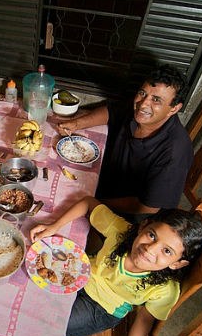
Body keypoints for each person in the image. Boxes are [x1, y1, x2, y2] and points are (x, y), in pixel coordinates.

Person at [30, 197, 202, 336]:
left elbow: (144, 321)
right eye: (152, 235)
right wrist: (54, 226)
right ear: (143, 226)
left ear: (177, 264)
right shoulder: (121, 231)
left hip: (102, 309)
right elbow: (88, 202)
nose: (150, 249)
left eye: (167, 251)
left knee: (45, 331)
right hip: (80, 273)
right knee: (28, 298)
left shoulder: (165, 290)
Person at [57, 65, 193, 224]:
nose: (143, 104)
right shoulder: (138, 111)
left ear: (174, 108)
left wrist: (96, 202)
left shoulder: (174, 154)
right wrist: (77, 124)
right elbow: (112, 112)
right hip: (103, 181)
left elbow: (147, 208)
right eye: (142, 93)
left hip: (125, 216)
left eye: (156, 100)